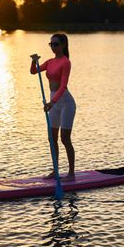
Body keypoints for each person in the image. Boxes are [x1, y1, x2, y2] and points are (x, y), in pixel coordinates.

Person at [30, 33, 76, 181]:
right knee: (52, 138)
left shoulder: (65, 62)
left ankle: (71, 173)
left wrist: (52, 103)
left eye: (56, 44)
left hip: (66, 104)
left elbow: (63, 86)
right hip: (54, 104)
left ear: (63, 45)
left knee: (65, 139)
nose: (53, 47)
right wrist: (34, 61)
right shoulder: (50, 62)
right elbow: (33, 71)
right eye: (51, 44)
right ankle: (56, 171)